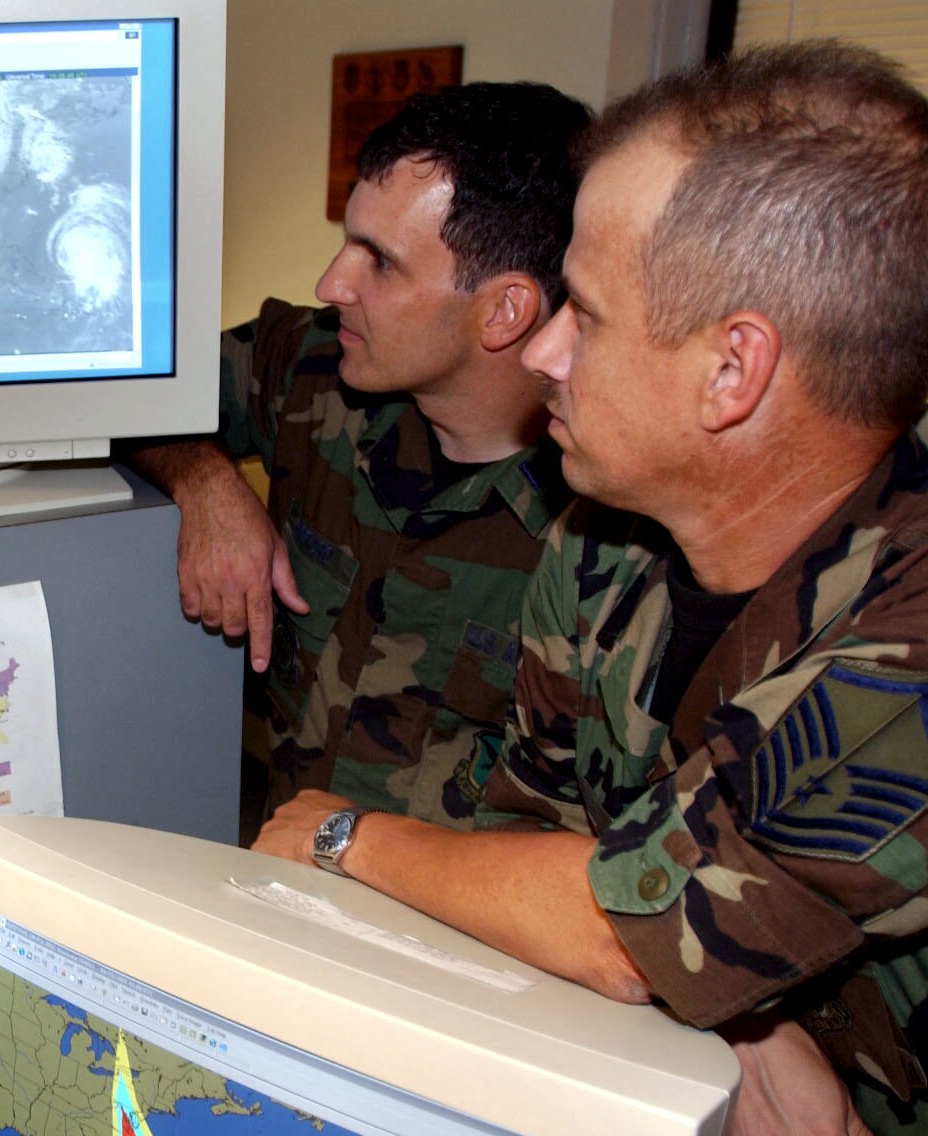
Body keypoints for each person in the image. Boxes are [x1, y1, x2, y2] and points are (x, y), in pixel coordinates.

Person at [255, 42, 928, 1136]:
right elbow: (525, 858)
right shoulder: (597, 553)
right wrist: (735, 1016)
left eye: (582, 313)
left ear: (732, 370)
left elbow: (615, 922)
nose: (538, 348)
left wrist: (338, 837)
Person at [131, 82, 589, 827]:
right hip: (280, 892)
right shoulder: (311, 370)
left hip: (450, 936)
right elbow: (127, 395)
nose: (331, 283)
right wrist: (205, 481)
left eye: (379, 261)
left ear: (504, 310)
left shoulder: (607, 525)